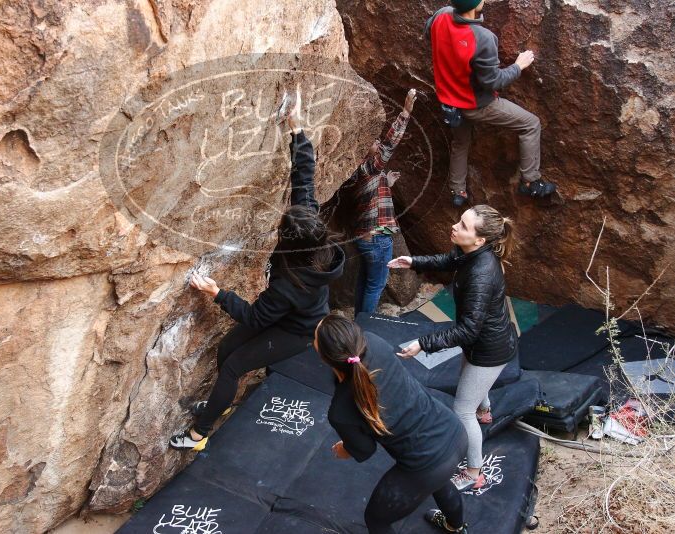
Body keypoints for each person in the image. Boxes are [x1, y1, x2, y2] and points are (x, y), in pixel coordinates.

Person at [169, 96, 345, 451]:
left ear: (290, 240)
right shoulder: (310, 232)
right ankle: (224, 398)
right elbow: (304, 178)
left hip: (297, 329)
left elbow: (254, 316)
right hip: (289, 314)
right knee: (228, 347)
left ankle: (199, 434)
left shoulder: (289, 284)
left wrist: (217, 293)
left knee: (233, 365)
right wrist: (296, 127)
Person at [388, 205, 517, 491]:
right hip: (483, 342)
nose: (455, 226)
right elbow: (448, 260)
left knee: (462, 410)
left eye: (463, 225)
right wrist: (413, 260)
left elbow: (468, 329)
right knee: (470, 379)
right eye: (459, 220)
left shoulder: (482, 273)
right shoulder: (471, 253)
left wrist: (423, 344)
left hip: (489, 349)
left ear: (480, 240)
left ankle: (473, 472)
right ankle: (485, 411)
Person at [316, 314, 469, 534]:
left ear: (323, 357)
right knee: (440, 480)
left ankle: (455, 525)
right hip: (454, 433)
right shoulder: (374, 342)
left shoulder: (340, 410)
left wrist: (344, 448)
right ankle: (456, 526)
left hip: (428, 465)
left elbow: (365, 449)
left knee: (376, 520)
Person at [424, 0, 557, 206]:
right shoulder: (483, 38)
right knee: (531, 124)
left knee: (460, 143)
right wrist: (518, 66)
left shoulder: (441, 15)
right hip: (476, 105)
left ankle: (457, 191)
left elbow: (428, 35)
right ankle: (531, 182)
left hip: (449, 102)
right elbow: (494, 81)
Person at [348, 89, 417, 317]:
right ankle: (364, 328)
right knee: (375, 285)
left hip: (363, 237)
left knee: (365, 282)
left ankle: (359, 321)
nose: (377, 142)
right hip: (377, 238)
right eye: (372, 142)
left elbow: (368, 200)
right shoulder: (369, 167)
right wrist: (405, 112)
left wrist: (387, 184)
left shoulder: (359, 173)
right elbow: (389, 144)